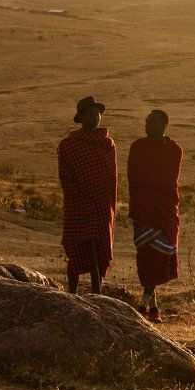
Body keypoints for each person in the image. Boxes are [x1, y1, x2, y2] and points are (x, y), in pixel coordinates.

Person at [127, 110, 183, 323]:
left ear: (163, 125)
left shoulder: (174, 150)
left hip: (164, 210)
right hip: (143, 210)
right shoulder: (137, 147)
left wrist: (148, 185)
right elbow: (134, 177)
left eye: (151, 122)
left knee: (160, 256)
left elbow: (167, 181)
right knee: (147, 257)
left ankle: (143, 306)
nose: (147, 125)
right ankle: (154, 309)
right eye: (146, 122)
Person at [58, 96, 117, 295]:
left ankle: (97, 293)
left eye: (97, 114)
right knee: (77, 249)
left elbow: (112, 179)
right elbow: (66, 178)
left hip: (102, 205)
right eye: (90, 115)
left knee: (100, 250)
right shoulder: (69, 145)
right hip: (78, 205)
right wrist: (81, 201)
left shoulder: (107, 144)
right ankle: (72, 293)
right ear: (81, 118)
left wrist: (107, 204)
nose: (95, 118)